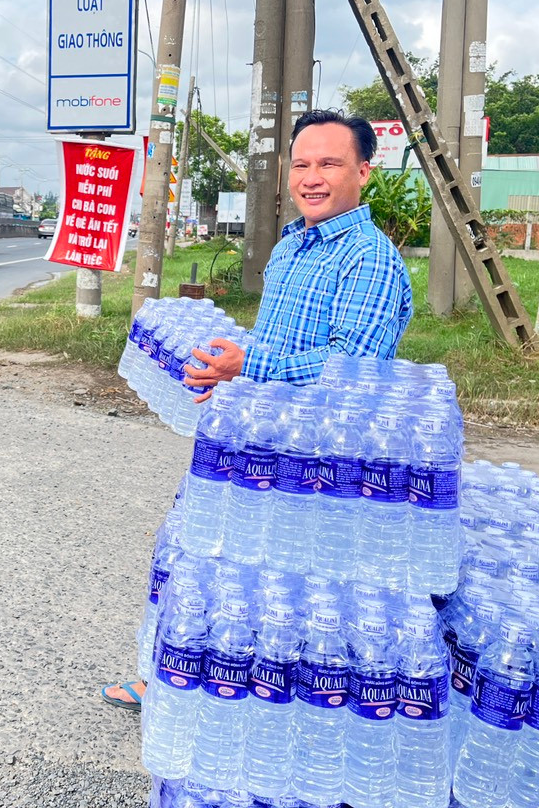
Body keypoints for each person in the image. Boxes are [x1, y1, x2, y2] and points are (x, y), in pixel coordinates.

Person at [99, 108, 414, 713]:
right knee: (195, 561)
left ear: (364, 172)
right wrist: (225, 365)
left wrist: (249, 365)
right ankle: (164, 676)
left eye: (330, 163)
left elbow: (353, 370)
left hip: (314, 464)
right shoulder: (295, 245)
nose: (312, 177)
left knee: (273, 588)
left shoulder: (367, 258)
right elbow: (275, 344)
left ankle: (224, 699)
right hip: (253, 441)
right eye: (301, 164)